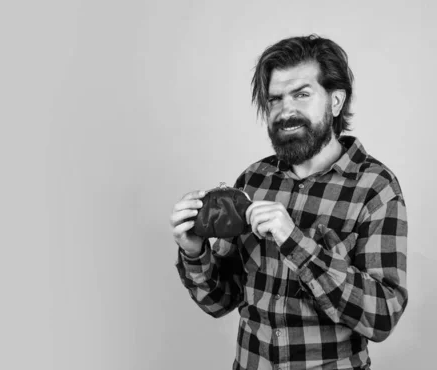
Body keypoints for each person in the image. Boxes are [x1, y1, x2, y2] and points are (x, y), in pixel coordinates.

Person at [171, 34, 408, 370]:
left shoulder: (375, 189)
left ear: (336, 101)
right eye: (275, 100)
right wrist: (194, 251)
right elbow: (221, 301)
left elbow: (383, 316)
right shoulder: (253, 181)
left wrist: (294, 242)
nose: (285, 111)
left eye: (301, 94)